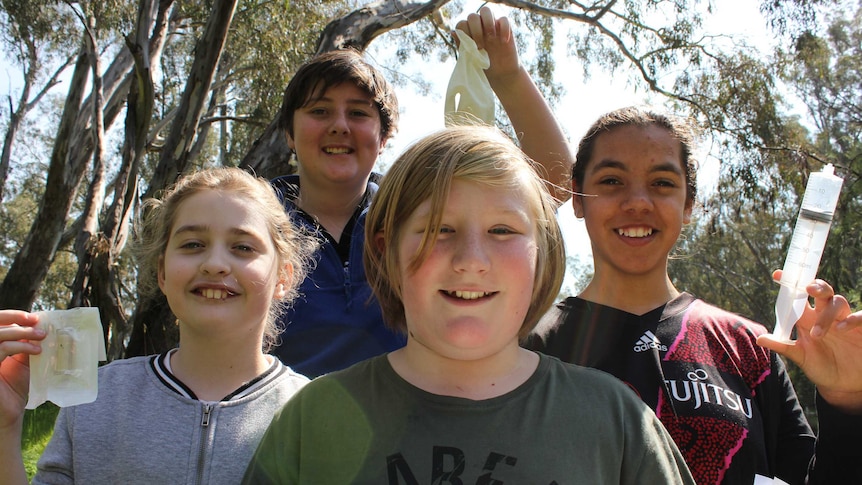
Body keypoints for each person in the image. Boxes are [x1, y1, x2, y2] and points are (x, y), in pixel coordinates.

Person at [242, 125, 695, 483]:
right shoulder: (313, 419)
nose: (471, 261)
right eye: (440, 228)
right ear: (384, 250)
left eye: (502, 231)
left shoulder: (616, 423)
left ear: (544, 253)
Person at [526, 105, 862, 484]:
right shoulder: (529, 348)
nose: (638, 202)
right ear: (578, 200)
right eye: (611, 181)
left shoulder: (752, 349)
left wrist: (847, 402)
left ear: (688, 205)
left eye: (662, 183)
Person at [269, 6, 574, 378]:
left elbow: (553, 182)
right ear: (289, 133)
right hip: (278, 426)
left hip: (411, 421)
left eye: (359, 114)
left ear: (384, 138)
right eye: (319, 111)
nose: (339, 126)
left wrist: (507, 75)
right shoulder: (252, 216)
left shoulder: (413, 209)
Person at [0, 168, 316, 484]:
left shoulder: (314, 412)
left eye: (243, 247)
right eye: (193, 244)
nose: (215, 264)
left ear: (283, 277)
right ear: (162, 272)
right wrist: (4, 427)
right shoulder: (96, 400)